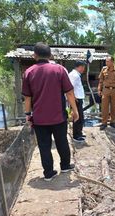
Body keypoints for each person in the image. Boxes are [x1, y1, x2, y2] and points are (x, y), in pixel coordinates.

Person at [22, 42, 79, 181]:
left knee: (44, 146)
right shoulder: (59, 70)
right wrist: (75, 111)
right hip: (58, 117)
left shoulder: (28, 72)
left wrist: (28, 115)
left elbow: (27, 98)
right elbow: (70, 93)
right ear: (50, 55)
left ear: (35, 55)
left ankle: (48, 173)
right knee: (62, 141)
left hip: (39, 119)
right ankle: (65, 166)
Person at [98, 56, 115, 130]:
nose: (106, 63)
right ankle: (104, 123)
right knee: (104, 107)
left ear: (112, 62)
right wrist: (99, 90)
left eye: (108, 61)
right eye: (106, 61)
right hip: (106, 90)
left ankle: (113, 122)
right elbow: (100, 81)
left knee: (113, 106)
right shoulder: (103, 69)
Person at [69, 61, 86, 143]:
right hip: (76, 99)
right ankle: (76, 135)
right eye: (83, 67)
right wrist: (74, 97)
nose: (83, 69)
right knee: (77, 117)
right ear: (79, 67)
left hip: (78, 98)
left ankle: (79, 132)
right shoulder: (74, 75)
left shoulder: (75, 75)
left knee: (80, 117)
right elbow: (70, 87)